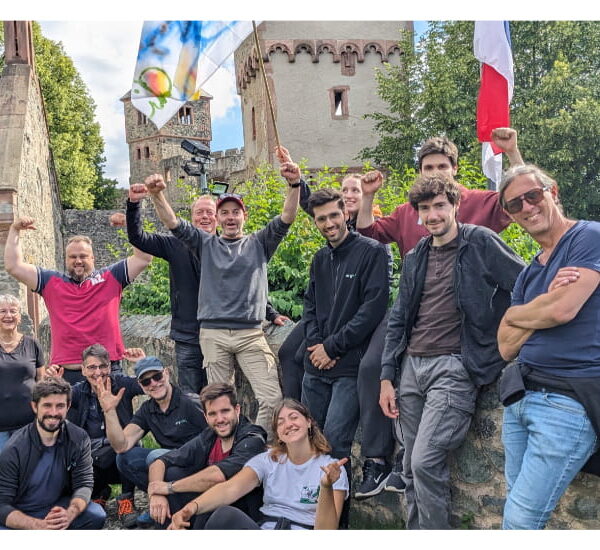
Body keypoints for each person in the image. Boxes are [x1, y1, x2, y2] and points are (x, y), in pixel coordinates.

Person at [354, 128, 524, 495]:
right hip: (413, 311)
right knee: (373, 368)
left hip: (463, 323)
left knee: (427, 446)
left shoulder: (478, 204)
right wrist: (367, 196)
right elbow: (368, 233)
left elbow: (523, 201)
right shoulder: (407, 212)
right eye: (428, 166)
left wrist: (512, 153)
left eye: (442, 166)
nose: (435, 173)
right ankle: (381, 460)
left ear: (455, 170)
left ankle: (409, 465)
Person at [379, 174, 525, 529]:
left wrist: (503, 335)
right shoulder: (416, 256)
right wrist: (386, 376)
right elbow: (399, 317)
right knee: (410, 468)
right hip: (411, 367)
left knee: (425, 462)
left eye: (440, 206)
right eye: (425, 208)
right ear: (417, 214)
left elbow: (523, 282)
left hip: (455, 367)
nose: (433, 215)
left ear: (456, 206)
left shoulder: (480, 242)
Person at [141, 146, 301, 436]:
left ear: (244, 216)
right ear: (218, 218)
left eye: (235, 212)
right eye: (224, 212)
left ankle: (256, 448)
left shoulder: (259, 242)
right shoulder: (206, 244)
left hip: (251, 334)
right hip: (213, 334)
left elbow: (288, 216)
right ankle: (227, 454)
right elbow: (172, 223)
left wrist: (294, 184)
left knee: (271, 398)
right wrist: (156, 195)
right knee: (218, 406)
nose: (229, 217)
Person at [496, 164, 600, 530]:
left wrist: (517, 315)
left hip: (566, 402)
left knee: (520, 520)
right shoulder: (530, 272)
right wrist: (531, 308)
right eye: (514, 205)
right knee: (517, 509)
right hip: (521, 399)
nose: (526, 207)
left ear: (552, 191)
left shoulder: (588, 237)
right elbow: (506, 346)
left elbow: (563, 308)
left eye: (533, 195)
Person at [123, 192, 289, 399]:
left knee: (222, 397)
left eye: (209, 212)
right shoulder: (175, 244)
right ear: (191, 217)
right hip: (189, 334)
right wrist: (133, 205)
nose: (204, 217)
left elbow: (247, 286)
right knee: (192, 397)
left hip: (223, 331)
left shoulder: (232, 247)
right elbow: (138, 237)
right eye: (199, 212)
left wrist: (269, 312)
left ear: (217, 218)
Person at [3, 218, 152, 385]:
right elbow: (13, 266)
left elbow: (143, 258)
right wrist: (15, 230)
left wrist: (132, 225)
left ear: (93, 258)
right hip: (68, 375)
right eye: (72, 257)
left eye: (83, 256)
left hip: (107, 371)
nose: (78, 261)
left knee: (115, 412)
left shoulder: (111, 277)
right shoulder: (50, 282)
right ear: (66, 259)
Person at [301, 188, 388, 469]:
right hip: (316, 367)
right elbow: (310, 307)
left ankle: (338, 514)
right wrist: (316, 346)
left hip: (349, 367)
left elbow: (372, 309)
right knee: (308, 442)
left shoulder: (371, 252)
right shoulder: (319, 259)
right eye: (321, 219)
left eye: (334, 216)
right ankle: (310, 512)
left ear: (346, 213)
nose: (329, 224)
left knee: (336, 448)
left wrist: (332, 347)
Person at [167, 398, 348, 530]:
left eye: (294, 417)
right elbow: (230, 488)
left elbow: (327, 531)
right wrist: (189, 509)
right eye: (281, 422)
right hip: (265, 528)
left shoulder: (330, 468)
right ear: (278, 433)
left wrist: (326, 486)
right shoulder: (268, 460)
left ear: (308, 422)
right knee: (223, 515)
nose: (288, 425)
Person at [146, 383, 267, 527]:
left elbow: (217, 477)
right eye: (213, 414)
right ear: (205, 416)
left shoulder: (252, 438)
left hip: (240, 514)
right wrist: (156, 494)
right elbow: (161, 461)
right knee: (171, 473)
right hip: (209, 503)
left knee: (205, 502)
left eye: (225, 411)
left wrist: (168, 487)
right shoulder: (209, 436)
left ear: (237, 410)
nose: (220, 419)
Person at [98, 355, 206, 515]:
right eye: (146, 381)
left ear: (167, 373)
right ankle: (167, 502)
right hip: (167, 464)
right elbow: (121, 446)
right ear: (141, 386)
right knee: (125, 458)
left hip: (197, 463)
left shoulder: (190, 402)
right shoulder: (148, 409)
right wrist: (110, 411)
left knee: (156, 456)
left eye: (157, 376)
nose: (154, 384)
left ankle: (173, 499)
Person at [0, 377, 106, 530]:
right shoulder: (14, 449)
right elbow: (2, 505)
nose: (54, 413)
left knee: (96, 515)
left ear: (68, 406)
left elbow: (84, 484)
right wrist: (39, 526)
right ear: (35, 407)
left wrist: (69, 514)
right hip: (21, 512)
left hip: (56, 507)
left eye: (60, 406)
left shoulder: (78, 438)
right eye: (47, 405)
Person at [65, 344, 146, 528]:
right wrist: (52, 382)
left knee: (125, 447)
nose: (98, 372)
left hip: (121, 456)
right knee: (79, 453)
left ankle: (126, 499)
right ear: (83, 370)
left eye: (102, 366)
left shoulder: (121, 384)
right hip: (93, 454)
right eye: (92, 367)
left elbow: (148, 386)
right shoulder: (78, 391)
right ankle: (99, 494)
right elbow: (53, 399)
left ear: (110, 367)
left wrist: (142, 363)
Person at [0, 294, 45, 452]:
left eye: (13, 311)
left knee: (30, 471)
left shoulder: (32, 344)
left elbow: (41, 382)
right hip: (1, 430)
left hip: (29, 424)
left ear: (19, 316)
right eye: (3, 311)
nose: (8, 316)